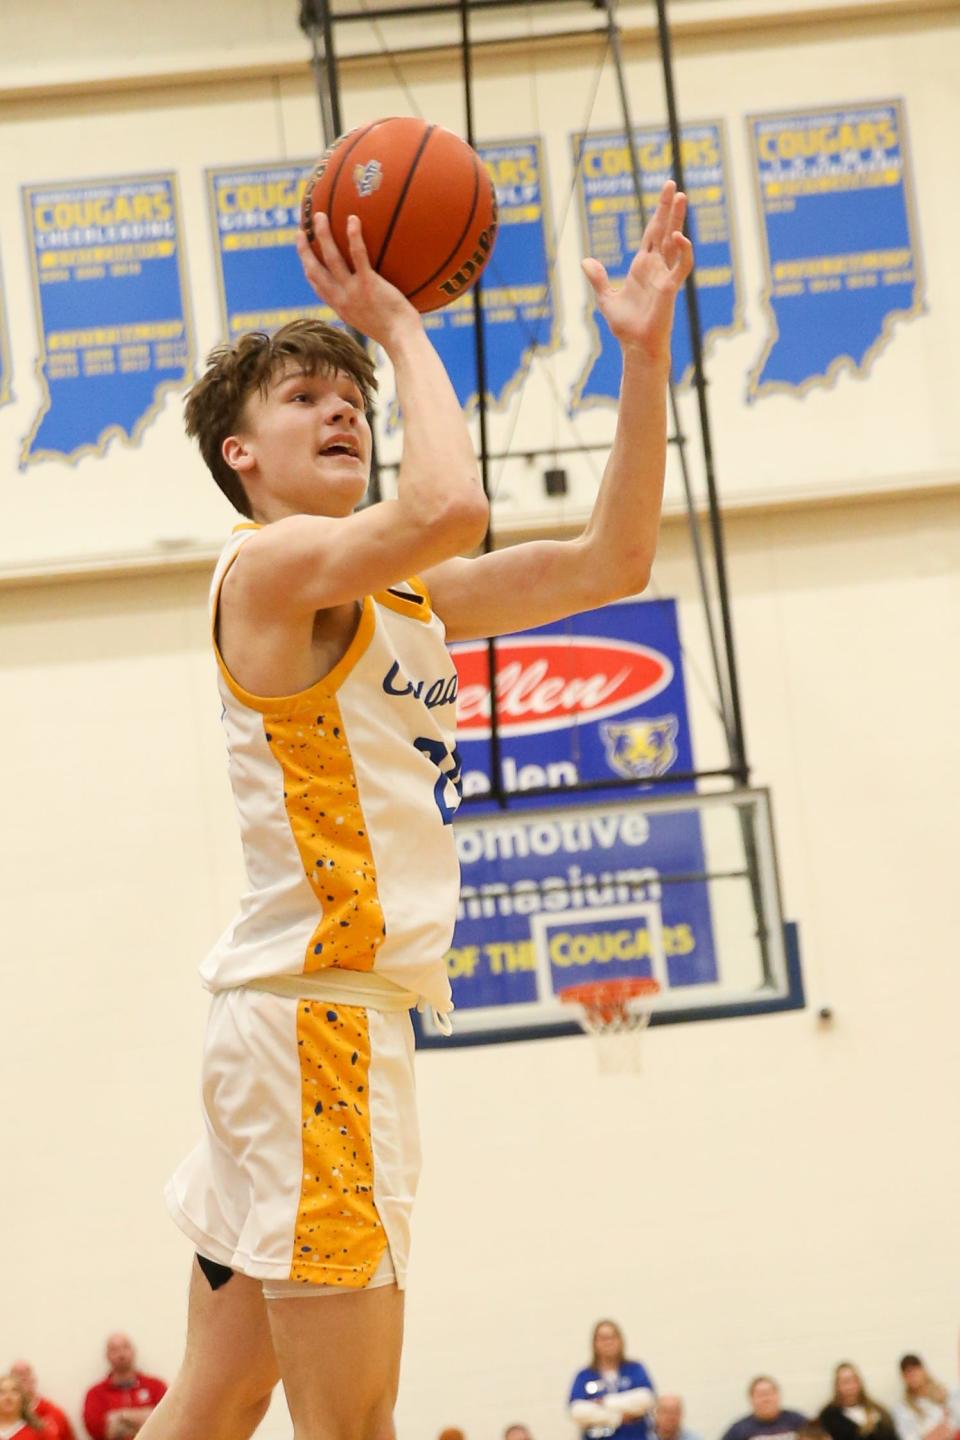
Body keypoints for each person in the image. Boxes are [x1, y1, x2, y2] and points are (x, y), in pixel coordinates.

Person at [139, 178, 692, 1440]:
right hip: (316, 1032)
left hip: (285, 1022)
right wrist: (394, 323)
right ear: (242, 455)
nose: (341, 410)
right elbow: (448, 502)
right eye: (304, 399)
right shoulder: (270, 567)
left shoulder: (410, 598)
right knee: (356, 1424)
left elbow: (615, 561)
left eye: (354, 403)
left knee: (217, 1400)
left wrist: (644, 359)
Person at [568, 1318, 656, 1438]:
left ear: (620, 1340)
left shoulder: (635, 1369)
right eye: (603, 1338)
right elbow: (577, 1411)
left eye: (613, 1337)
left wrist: (605, 1402)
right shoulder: (584, 1376)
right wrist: (618, 1418)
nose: (608, 1342)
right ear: (595, 1343)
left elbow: (646, 1399)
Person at [82, 1336, 166, 1440]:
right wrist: (145, 1416)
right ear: (107, 1355)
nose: (121, 1354)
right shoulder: (95, 1394)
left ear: (133, 1351)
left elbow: (165, 1421)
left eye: (125, 1347)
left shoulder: (156, 1386)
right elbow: (100, 1432)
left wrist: (120, 1416)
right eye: (114, 1350)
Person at [819, 1362, 898, 1440]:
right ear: (837, 1386)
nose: (851, 1386)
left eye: (854, 1380)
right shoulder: (829, 1416)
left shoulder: (878, 1410)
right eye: (846, 1382)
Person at [720, 1376, 807, 1440]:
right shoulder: (739, 1430)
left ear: (778, 1396)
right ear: (751, 1399)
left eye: (769, 1393)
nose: (766, 1399)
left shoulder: (797, 1421)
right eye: (760, 1395)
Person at [894, 1356, 959, 1440]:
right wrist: (935, 1435)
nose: (912, 1375)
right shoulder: (902, 1409)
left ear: (924, 1370)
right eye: (907, 1373)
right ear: (903, 1377)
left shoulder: (948, 1392)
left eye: (915, 1370)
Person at [7, 1364, 74, 1440]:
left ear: (34, 1379)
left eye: (27, 1373)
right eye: (18, 1375)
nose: (23, 1378)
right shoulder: (4, 1418)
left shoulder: (54, 1414)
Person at [0, 1374, 55, 1438]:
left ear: (23, 1398)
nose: (8, 1397)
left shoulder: (40, 1431)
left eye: (14, 1391)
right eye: (2, 1392)